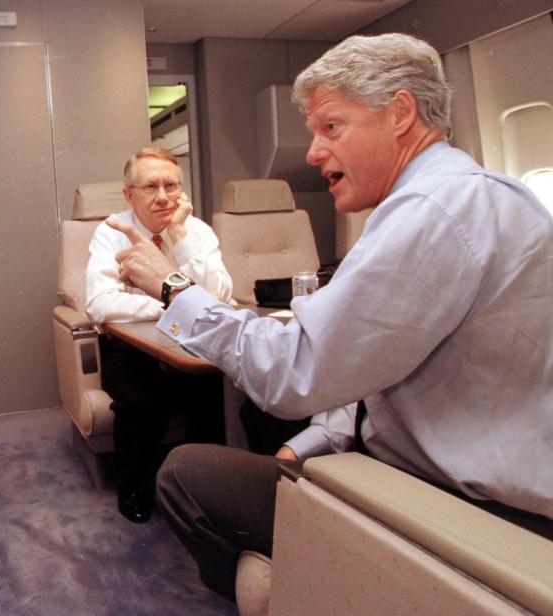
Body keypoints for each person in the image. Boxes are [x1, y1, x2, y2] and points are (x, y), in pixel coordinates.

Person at [110, 33, 553, 600]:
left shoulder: (433, 210)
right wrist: (324, 435)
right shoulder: (461, 195)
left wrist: (172, 286)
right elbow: (383, 366)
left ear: (400, 114)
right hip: (428, 459)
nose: (313, 152)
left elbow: (296, 372)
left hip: (458, 502)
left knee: (185, 474)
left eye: (331, 127)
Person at [84, 146, 233, 523]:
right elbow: (100, 303)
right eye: (151, 187)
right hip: (131, 347)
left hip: (190, 343)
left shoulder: (196, 231)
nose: (164, 197)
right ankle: (133, 487)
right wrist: (175, 303)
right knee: (140, 402)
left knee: (213, 393)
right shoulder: (111, 231)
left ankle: (205, 493)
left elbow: (220, 293)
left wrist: (180, 237)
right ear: (128, 194)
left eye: (172, 185)